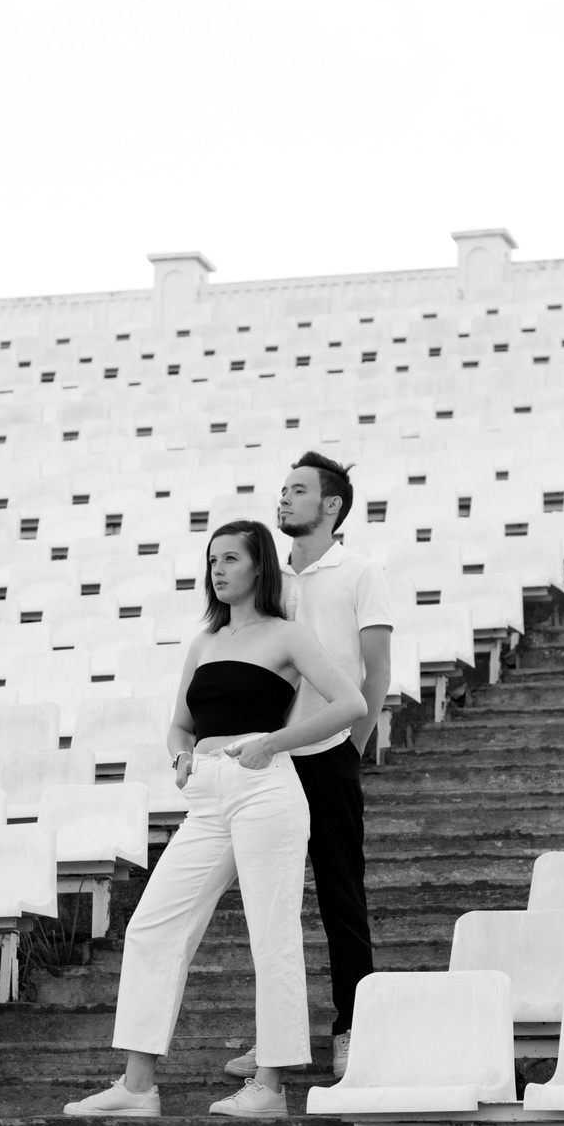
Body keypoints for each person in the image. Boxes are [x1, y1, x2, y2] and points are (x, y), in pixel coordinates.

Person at [65, 519, 368, 1119]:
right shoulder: (204, 642)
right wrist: (180, 756)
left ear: (259, 566)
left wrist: (271, 743)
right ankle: (137, 1087)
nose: (219, 570)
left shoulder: (287, 634)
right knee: (152, 926)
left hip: (264, 789)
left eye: (231, 558)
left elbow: (351, 703)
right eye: (212, 560)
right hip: (206, 796)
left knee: (271, 935)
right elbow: (181, 724)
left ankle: (270, 1087)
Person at [224, 452, 392, 1082]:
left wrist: (352, 747)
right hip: (267, 760)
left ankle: (353, 1029)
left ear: (331, 505)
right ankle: (275, 1040)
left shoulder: (360, 572)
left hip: (328, 756)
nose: (284, 498)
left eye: (298, 490)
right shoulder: (270, 579)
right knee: (271, 907)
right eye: (283, 489)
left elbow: (377, 673)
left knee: (342, 900)